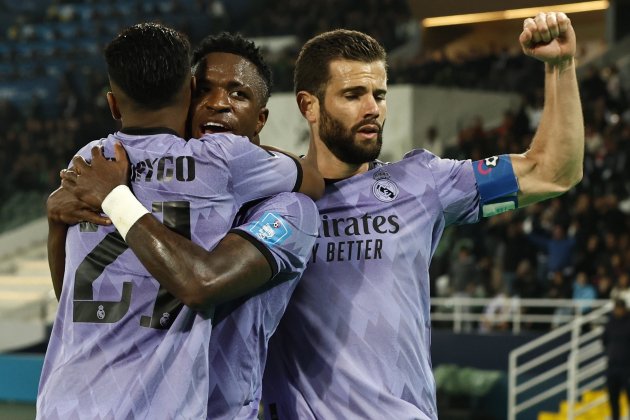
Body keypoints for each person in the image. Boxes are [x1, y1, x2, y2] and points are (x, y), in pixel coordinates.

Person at [59, 11, 584, 419]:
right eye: (354, 94)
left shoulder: (422, 182)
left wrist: (560, 67)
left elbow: (552, 172)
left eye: (378, 94)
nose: (373, 108)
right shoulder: (224, 210)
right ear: (308, 105)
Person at [37, 24, 322, 419]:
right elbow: (71, 299)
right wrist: (56, 222)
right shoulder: (211, 162)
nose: (218, 103)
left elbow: (200, 282)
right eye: (204, 89)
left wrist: (115, 198)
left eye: (237, 94)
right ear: (187, 93)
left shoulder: (92, 162)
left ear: (260, 118)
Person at [602, 299, 630, 420]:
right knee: (613, 398)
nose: (617, 310)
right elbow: (604, 340)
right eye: (616, 308)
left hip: (627, 367)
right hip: (612, 366)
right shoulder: (610, 323)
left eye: (620, 308)